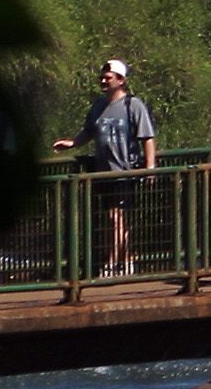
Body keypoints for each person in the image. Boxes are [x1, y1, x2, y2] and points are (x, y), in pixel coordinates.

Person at [51, 59, 157, 278]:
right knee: (116, 219)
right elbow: (89, 130)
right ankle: (127, 261)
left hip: (125, 171)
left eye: (108, 78)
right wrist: (73, 143)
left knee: (116, 218)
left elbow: (147, 137)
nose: (103, 81)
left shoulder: (132, 105)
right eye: (102, 77)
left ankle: (110, 265)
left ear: (121, 80)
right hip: (103, 171)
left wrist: (150, 167)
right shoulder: (99, 105)